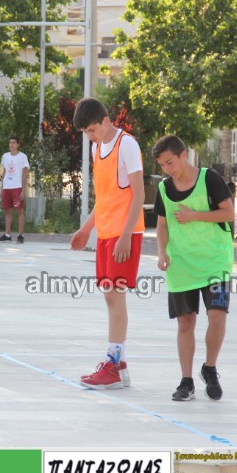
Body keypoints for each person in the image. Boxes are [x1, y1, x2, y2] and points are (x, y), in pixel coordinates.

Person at [70, 98, 145, 389]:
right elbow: (104, 198)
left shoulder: (127, 145)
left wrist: (126, 235)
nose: (90, 136)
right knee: (110, 296)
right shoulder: (96, 147)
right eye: (86, 133)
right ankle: (119, 364)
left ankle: (113, 365)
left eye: (92, 130)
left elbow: (139, 195)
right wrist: (86, 228)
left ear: (105, 121)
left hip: (124, 234)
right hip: (105, 232)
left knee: (115, 296)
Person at [153, 135, 234, 402]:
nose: (167, 169)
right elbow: (162, 224)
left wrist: (193, 216)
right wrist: (162, 251)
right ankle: (186, 381)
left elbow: (228, 213)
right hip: (181, 264)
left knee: (218, 317)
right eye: (162, 165)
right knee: (185, 321)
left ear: (183, 155)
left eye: (170, 162)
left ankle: (209, 368)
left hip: (215, 262)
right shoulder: (164, 188)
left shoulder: (209, 178)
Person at [0, 135, 29, 244]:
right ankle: (7, 235)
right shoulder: (5, 156)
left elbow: (24, 175)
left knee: (20, 211)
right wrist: (2, 187)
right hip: (7, 187)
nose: (12, 145)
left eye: (14, 143)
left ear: (18, 144)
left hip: (17, 187)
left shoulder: (23, 157)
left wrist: (23, 190)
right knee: (7, 211)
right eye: (10, 142)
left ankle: (20, 235)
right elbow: (3, 172)